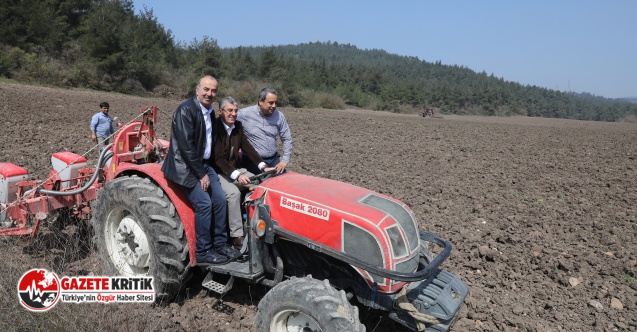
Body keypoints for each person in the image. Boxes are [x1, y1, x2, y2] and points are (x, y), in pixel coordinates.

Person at [161, 75, 240, 265]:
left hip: (202, 164)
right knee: (204, 204)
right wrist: (201, 174)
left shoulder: (209, 112)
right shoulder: (186, 111)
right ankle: (203, 251)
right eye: (206, 89)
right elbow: (186, 147)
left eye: (213, 91)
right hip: (184, 166)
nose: (209, 94)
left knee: (220, 200)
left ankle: (220, 244)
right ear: (197, 90)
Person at [213, 97, 274, 249]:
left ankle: (260, 224)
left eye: (235, 111)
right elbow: (218, 159)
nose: (233, 114)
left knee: (261, 182)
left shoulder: (237, 127)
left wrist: (263, 167)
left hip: (234, 170)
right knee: (233, 193)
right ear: (220, 112)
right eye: (229, 111)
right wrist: (238, 176)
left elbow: (248, 148)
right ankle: (236, 236)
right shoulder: (215, 128)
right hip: (218, 172)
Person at [237, 87, 292, 175]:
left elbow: (287, 139)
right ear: (260, 101)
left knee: (282, 184)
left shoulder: (279, 116)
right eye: (271, 103)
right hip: (253, 161)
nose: (274, 106)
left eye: (275, 103)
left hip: (274, 160)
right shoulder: (243, 115)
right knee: (259, 186)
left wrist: (284, 161)